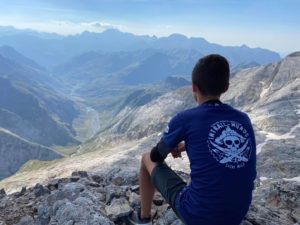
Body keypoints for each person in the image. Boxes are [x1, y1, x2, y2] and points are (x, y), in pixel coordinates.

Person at [127, 54, 257, 225]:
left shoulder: (186, 119)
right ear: (226, 87)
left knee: (145, 158)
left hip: (198, 215)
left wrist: (171, 145)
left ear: (194, 87)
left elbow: (156, 156)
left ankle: (144, 218)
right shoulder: (243, 119)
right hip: (237, 213)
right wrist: (188, 144)